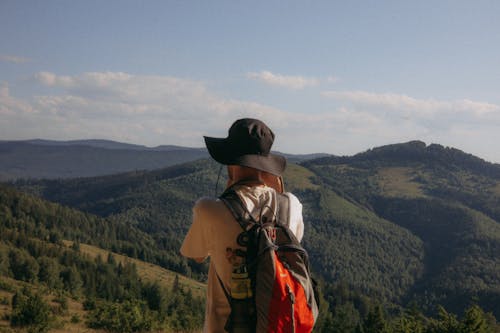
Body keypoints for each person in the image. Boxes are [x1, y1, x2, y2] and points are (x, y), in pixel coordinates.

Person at [180, 118, 305, 333]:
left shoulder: (209, 209)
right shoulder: (292, 205)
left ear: (230, 160)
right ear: (266, 164)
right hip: (278, 325)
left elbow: (197, 255)